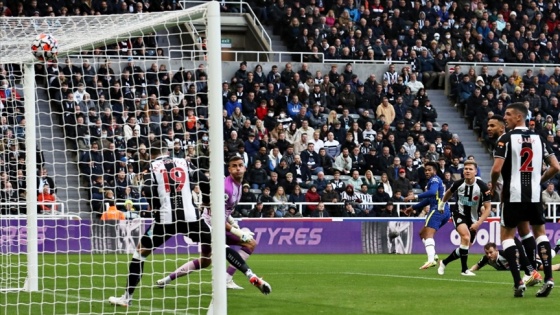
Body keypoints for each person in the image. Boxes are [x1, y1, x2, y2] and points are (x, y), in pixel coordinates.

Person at [108, 145, 270, 307]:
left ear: (151, 155)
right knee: (219, 245)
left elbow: (148, 189)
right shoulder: (183, 162)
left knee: (140, 253)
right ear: (166, 152)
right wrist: (206, 202)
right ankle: (250, 275)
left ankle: (127, 297)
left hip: (165, 220)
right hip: (191, 217)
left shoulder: (151, 167)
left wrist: (155, 208)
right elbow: (203, 179)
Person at [155, 156, 269, 291]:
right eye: (234, 166)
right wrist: (238, 232)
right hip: (208, 227)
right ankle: (235, 278)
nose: (238, 168)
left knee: (206, 261)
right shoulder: (226, 188)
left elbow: (226, 211)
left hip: (220, 225)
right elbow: (217, 216)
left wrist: (233, 222)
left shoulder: (238, 186)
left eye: (240, 165)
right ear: (229, 169)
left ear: (244, 168)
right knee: (232, 249)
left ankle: (167, 280)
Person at [490, 102, 560, 297]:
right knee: (540, 234)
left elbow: (496, 169)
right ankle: (548, 278)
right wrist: (539, 180)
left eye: (508, 114)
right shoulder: (539, 138)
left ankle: (518, 282)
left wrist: (493, 184)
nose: (505, 117)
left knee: (506, 237)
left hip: (513, 194)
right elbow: (555, 166)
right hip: (535, 195)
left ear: (519, 117)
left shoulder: (506, 138)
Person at [436, 160, 492, 276]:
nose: (467, 171)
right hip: (459, 214)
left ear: (475, 172)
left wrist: (478, 223)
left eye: (470, 169)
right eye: (465, 169)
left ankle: (444, 262)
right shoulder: (458, 184)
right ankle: (464, 270)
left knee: (465, 246)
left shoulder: (482, 186)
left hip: (474, 218)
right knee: (465, 237)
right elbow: (448, 193)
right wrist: (442, 203)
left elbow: (487, 208)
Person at [403, 161, 451, 269]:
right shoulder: (435, 181)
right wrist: (413, 208)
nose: (427, 172)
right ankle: (433, 255)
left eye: (429, 170)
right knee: (422, 234)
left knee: (428, 235)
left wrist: (414, 197)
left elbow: (432, 192)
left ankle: (431, 260)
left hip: (438, 209)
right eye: (425, 170)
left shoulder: (434, 180)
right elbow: (429, 199)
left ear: (435, 171)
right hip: (444, 210)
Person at [470, 242, 560, 274]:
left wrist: (532, 257)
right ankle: (558, 246)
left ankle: (557, 247)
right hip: (522, 266)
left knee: (548, 267)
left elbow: (519, 255)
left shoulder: (504, 254)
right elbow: (477, 266)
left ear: (496, 250)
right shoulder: (487, 259)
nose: (489, 255)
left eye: (491, 252)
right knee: (547, 258)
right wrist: (469, 271)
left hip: (526, 262)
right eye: (487, 253)